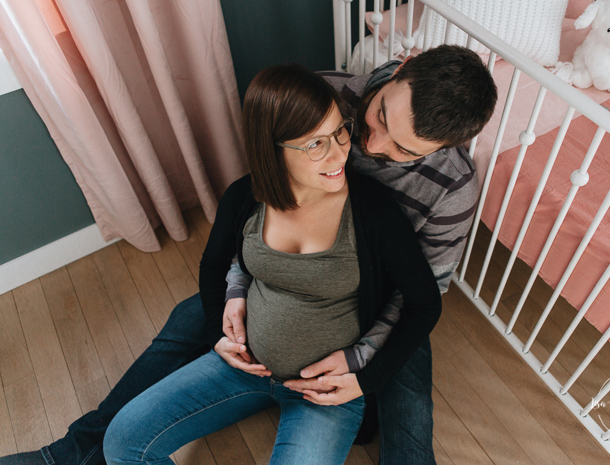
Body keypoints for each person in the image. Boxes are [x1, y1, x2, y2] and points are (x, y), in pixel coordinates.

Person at [0, 44, 496, 465]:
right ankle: (69, 454)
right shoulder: (317, 97)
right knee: (189, 322)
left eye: (402, 151)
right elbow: (257, 212)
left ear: (445, 146)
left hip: (376, 300)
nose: (365, 145)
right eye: (378, 117)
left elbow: (423, 294)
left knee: (408, 405)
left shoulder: (452, 186)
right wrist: (235, 296)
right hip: (278, 278)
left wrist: (364, 364)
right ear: (402, 66)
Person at [99, 63, 441, 465]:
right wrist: (218, 336)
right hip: (244, 368)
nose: (339, 153)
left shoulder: (373, 212)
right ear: (272, 147)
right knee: (122, 441)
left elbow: (424, 303)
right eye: (315, 144)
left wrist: (365, 378)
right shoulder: (245, 197)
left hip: (323, 394)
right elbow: (212, 266)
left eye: (339, 132)